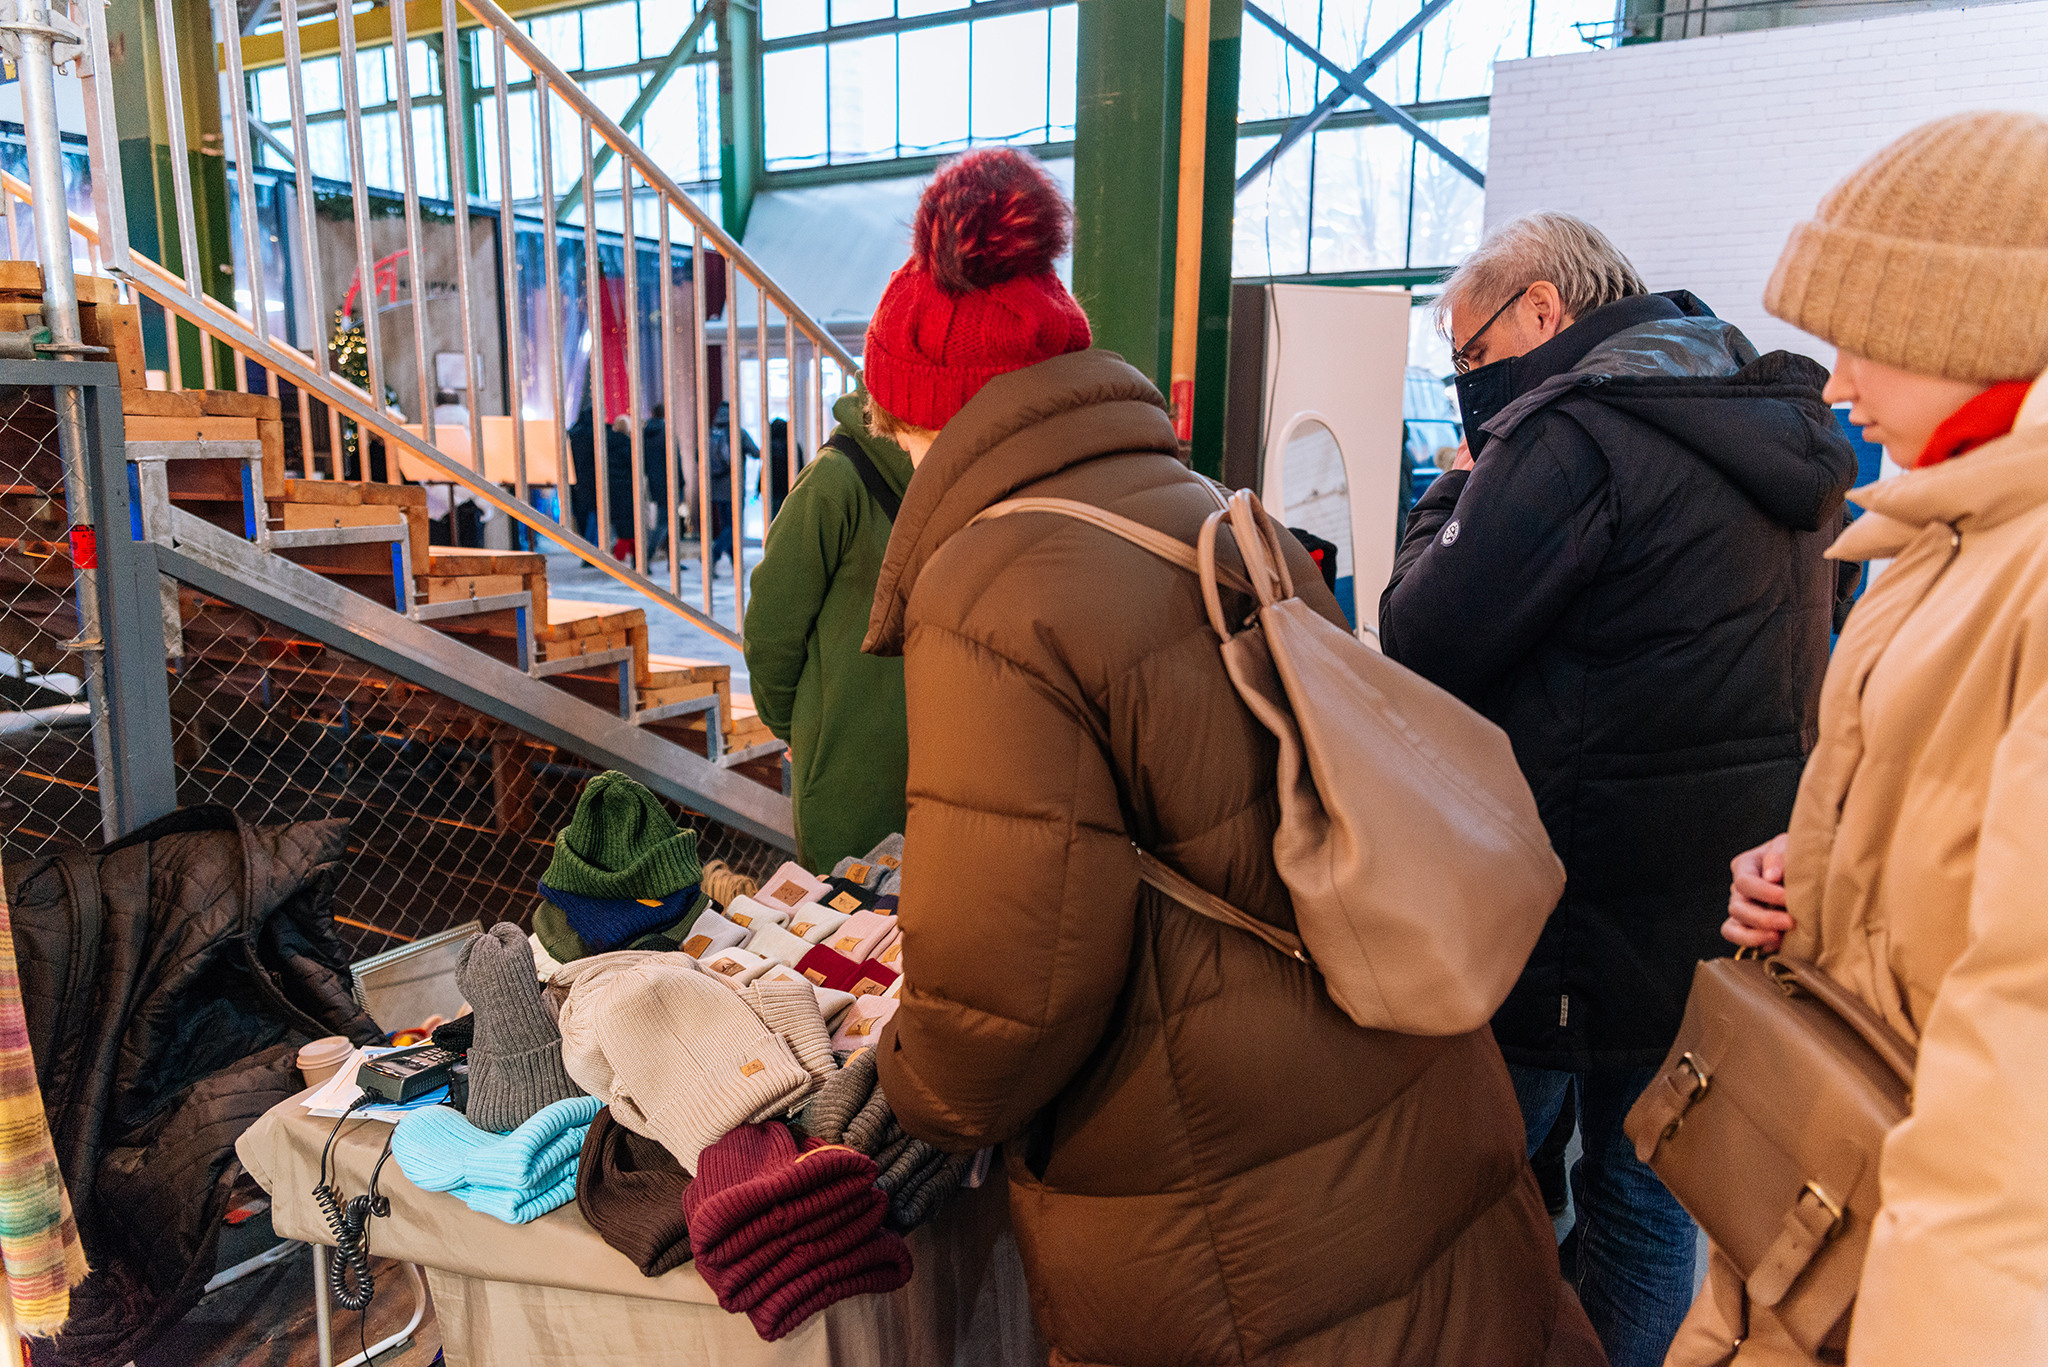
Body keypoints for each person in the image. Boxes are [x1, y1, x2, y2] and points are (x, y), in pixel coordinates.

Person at [866, 148, 1598, 1367]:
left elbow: (1009, 988)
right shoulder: (1207, 505)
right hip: (1391, 1100)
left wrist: (910, 1096)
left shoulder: (987, 587)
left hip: (1227, 1199)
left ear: (927, 412)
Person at [1378, 211, 1859, 1367]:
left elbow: (1420, 630)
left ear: (1542, 310)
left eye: (1471, 359)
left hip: (1567, 901)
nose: (1469, 388)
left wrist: (1452, 488)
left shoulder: (1570, 436)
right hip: (1712, 899)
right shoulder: (1759, 415)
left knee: (1475, 1184)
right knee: (1648, 1188)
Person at [1687, 110, 2048, 1367]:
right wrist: (1820, 864)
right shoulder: (1930, 539)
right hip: (1833, 1182)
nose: (1836, 385)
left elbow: (2029, 1041)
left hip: (1925, 1258)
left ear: (1967, 327)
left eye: (1863, 340)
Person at [743, 393, 910, 873]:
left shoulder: (963, 481)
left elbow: (771, 626)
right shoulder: (837, 478)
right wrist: (791, 723)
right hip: (851, 772)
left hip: (879, 769)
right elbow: (773, 629)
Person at [704, 400, 759, 576]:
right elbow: (756, 452)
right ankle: (714, 553)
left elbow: (700, 457)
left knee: (728, 526)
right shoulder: (738, 433)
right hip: (734, 487)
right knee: (734, 526)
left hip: (716, 488)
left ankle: (735, 563)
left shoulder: (712, 433)